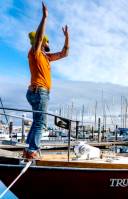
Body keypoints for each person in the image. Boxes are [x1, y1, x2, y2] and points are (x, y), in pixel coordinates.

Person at [23, 2, 69, 159]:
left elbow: (64, 54)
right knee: (41, 122)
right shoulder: (35, 52)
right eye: (46, 41)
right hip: (39, 91)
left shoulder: (46, 57)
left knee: (37, 121)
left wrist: (67, 38)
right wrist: (44, 17)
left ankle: (28, 149)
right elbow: (39, 38)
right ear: (42, 42)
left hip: (37, 92)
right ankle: (33, 150)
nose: (48, 43)